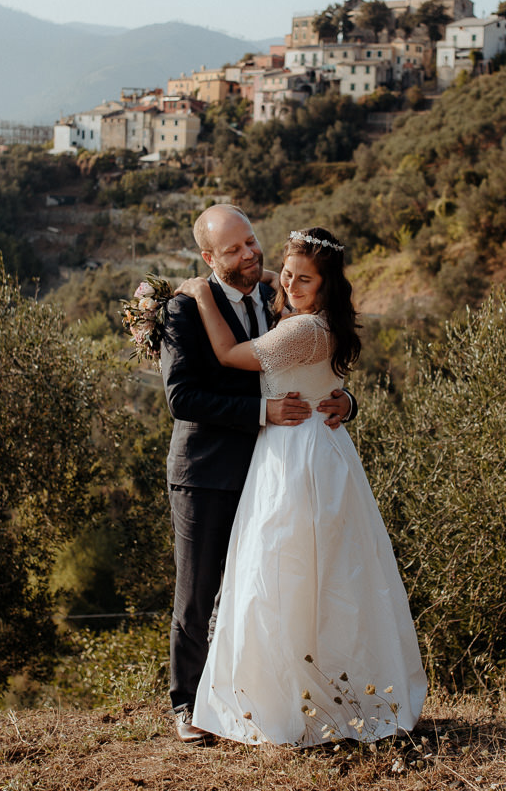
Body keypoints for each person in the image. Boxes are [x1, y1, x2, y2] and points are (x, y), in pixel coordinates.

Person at [177, 226, 426, 747]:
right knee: (308, 577)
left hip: (296, 455)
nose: (289, 285)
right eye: (288, 274)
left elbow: (228, 354)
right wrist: (275, 272)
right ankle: (279, 692)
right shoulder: (301, 305)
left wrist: (201, 290)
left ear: (326, 286)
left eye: (303, 279)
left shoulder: (304, 329)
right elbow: (278, 279)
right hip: (304, 447)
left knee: (286, 574)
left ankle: (286, 700)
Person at [160, 205, 354, 744]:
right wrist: (261, 413)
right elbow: (182, 398)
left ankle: (248, 697)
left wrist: (345, 401)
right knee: (198, 594)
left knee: (263, 588)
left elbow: (316, 359)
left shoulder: (279, 301)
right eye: (233, 250)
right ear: (208, 259)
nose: (249, 254)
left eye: (251, 242)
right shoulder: (182, 310)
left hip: (275, 471)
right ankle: (187, 704)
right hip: (206, 471)